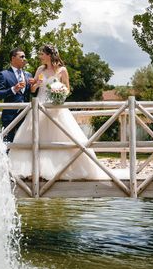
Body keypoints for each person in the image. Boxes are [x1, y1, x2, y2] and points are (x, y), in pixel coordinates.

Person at [8, 44, 111, 180]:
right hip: (40, 106)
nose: (40, 56)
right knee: (34, 137)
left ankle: (61, 170)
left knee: (63, 137)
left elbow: (68, 89)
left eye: (42, 54)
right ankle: (34, 170)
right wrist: (36, 84)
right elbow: (33, 90)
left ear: (49, 55)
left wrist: (59, 92)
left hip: (56, 108)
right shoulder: (40, 69)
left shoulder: (62, 70)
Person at [0, 48, 35, 143]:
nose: (24, 59)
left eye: (25, 57)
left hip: (26, 115)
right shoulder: (3, 74)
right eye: (22, 57)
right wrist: (13, 89)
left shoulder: (28, 75)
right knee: (7, 145)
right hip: (10, 117)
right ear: (13, 58)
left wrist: (36, 85)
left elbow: (33, 93)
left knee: (26, 143)